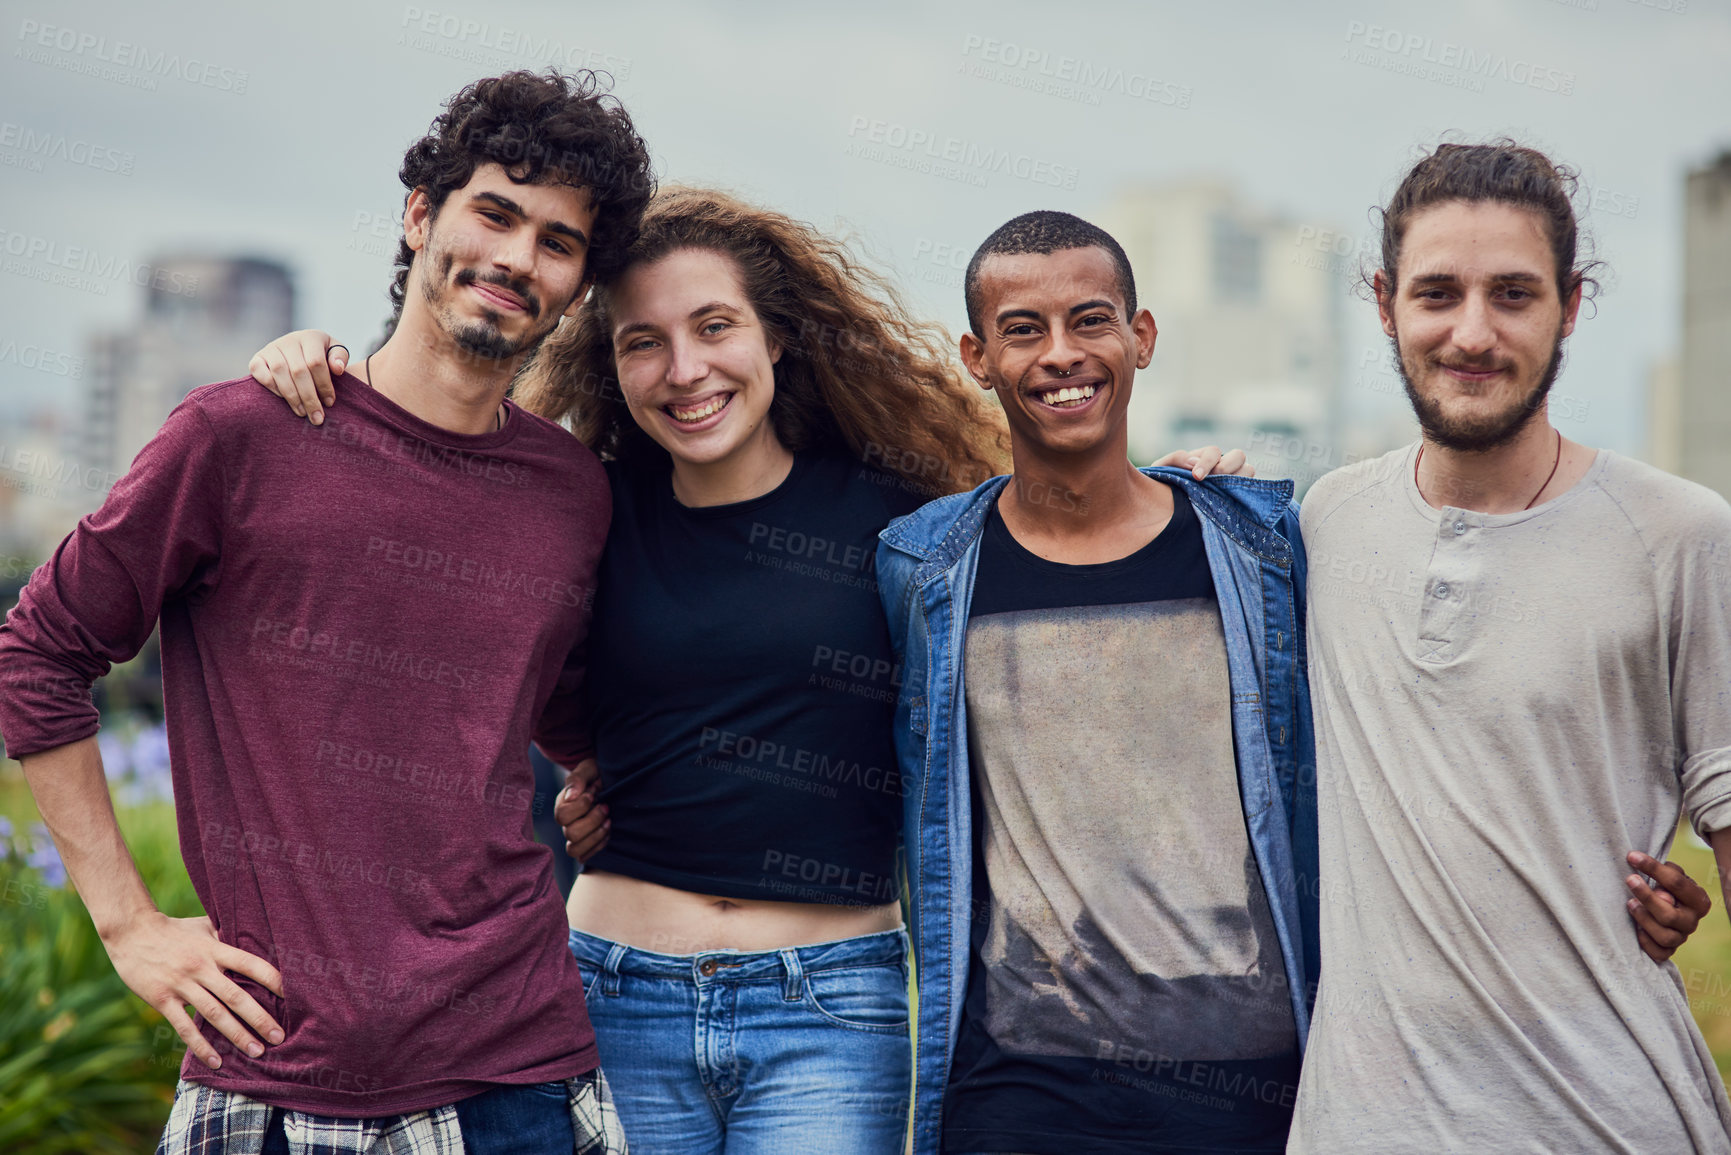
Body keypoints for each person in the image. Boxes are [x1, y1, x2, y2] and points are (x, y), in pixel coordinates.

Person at [250, 189, 1246, 1153]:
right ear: (614, 365)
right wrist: (326, 379)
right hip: (610, 989)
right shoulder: (578, 511)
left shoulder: (909, 523)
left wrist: (1193, 498)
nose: (686, 368)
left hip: (831, 1005)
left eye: (715, 326)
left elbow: (1066, 544)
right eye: (644, 341)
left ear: (775, 336)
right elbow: (427, 541)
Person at [0, 70, 651, 1154]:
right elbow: (39, 651)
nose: (515, 259)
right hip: (283, 1068)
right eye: (493, 213)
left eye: (556, 241)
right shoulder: (239, 436)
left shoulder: (572, 491)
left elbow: (557, 697)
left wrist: (600, 771)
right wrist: (127, 923)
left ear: (578, 284)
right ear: (418, 216)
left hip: (526, 1068)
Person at [1289, 141, 1731, 1152]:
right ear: (1384, 300)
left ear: (1571, 307)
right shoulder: (1328, 521)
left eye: (1515, 295)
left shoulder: (1681, 534)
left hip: (1610, 1122)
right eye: (1438, 293)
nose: (1473, 334)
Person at [877, 211, 1318, 1155]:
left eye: (1090, 320)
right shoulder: (922, 569)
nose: (1061, 355)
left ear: (1140, 336)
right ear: (976, 356)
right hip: (1018, 1093)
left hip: (1248, 1088)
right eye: (1022, 329)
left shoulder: (1258, 551)